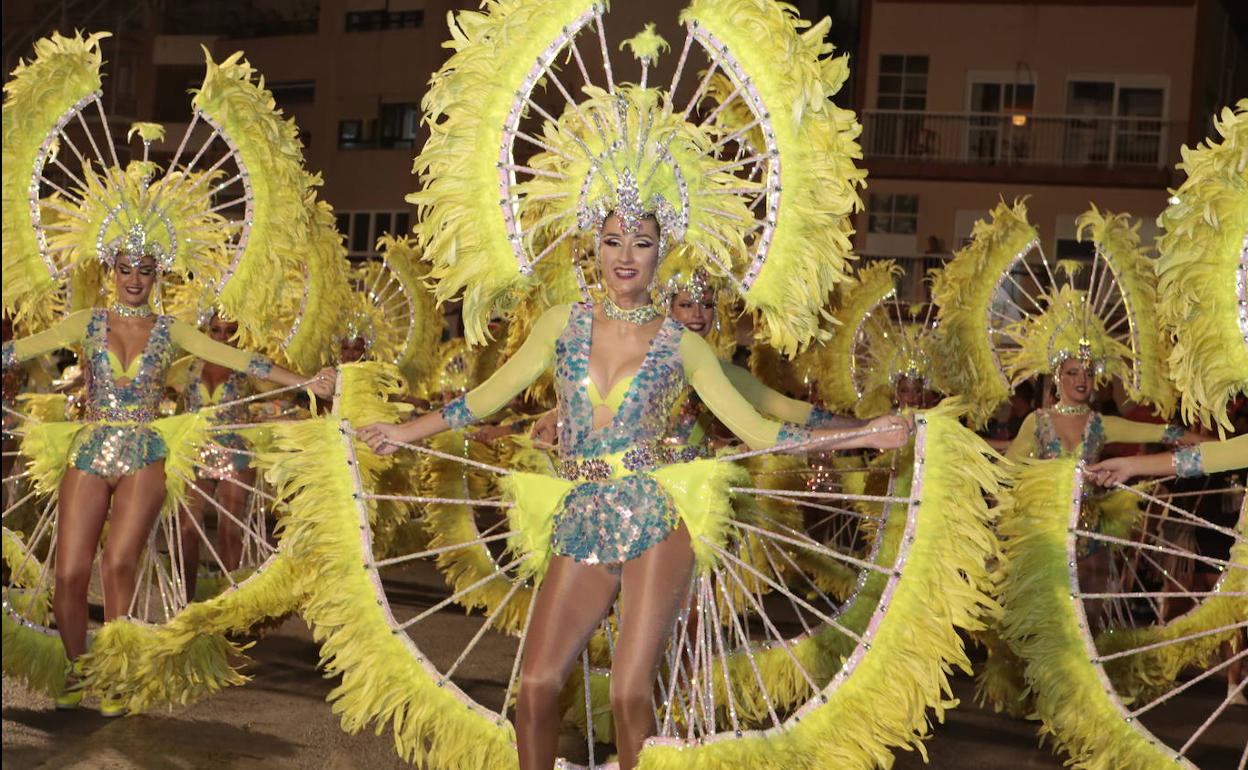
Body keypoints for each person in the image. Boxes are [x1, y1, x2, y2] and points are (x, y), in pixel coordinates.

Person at [358, 212, 907, 769]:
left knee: (628, 691)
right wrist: (404, 432)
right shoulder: (559, 324)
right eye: (613, 241)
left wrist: (863, 433)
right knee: (536, 685)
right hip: (581, 516)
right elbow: (485, 397)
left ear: (659, 255)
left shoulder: (683, 348)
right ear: (593, 249)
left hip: (656, 516)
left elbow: (763, 429)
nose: (625, 256)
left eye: (641, 244)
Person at [2, 252, 334, 715]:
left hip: (144, 452)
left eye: (144, 270)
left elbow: (241, 359)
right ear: (111, 273)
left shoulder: (170, 329)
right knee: (69, 573)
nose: (134, 280)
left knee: (118, 562)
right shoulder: (86, 322)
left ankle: (117, 673)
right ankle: (78, 667)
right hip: (90, 448)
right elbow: (17, 351)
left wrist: (306, 383)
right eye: (125, 269)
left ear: (156, 275)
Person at [171, 311, 265, 600]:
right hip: (194, 454)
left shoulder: (248, 366)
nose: (223, 338)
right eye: (216, 330)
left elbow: (289, 389)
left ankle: (228, 604)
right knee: (186, 528)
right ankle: (185, 604)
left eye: (230, 331)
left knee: (229, 530)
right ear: (205, 331)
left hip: (235, 454)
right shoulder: (185, 368)